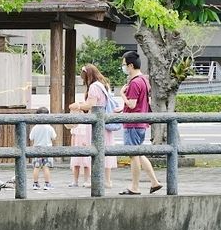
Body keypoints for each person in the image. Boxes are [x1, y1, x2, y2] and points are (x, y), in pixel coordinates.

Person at [69, 63, 119, 189]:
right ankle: (107, 180)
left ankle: (95, 179)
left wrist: (78, 106)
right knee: (105, 149)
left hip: (96, 124)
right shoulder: (103, 85)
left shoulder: (93, 87)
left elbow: (91, 105)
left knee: (95, 149)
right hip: (104, 122)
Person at [119, 51, 162, 195]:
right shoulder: (144, 80)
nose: (123, 67)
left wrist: (122, 95)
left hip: (133, 123)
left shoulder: (135, 82)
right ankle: (154, 182)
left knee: (134, 155)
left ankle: (135, 187)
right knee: (138, 153)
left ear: (130, 65)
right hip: (141, 122)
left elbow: (131, 104)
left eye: (124, 65)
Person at [28, 107, 57, 190]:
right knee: (45, 167)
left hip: (37, 148)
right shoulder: (49, 127)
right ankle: (47, 184)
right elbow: (54, 137)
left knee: (36, 167)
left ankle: (35, 184)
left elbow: (31, 138)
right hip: (47, 148)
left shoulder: (35, 127)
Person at [66, 102, 91, 187]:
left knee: (86, 164)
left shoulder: (88, 123)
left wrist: (88, 143)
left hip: (85, 144)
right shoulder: (75, 124)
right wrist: (72, 146)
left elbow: (89, 135)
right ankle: (75, 181)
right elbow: (73, 135)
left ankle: (86, 180)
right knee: (76, 164)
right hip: (76, 144)